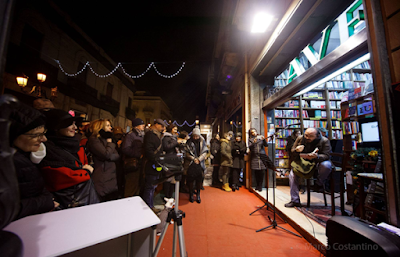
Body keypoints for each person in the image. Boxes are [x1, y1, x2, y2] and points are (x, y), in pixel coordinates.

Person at [40, 109, 99, 209]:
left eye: (75, 124)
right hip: (65, 203)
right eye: (69, 124)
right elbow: (54, 177)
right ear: (56, 127)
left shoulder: (75, 145)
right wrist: (85, 172)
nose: (75, 127)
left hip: (81, 198)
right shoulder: (47, 149)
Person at [9, 103, 56, 220]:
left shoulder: (26, 157)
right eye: (36, 135)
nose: (44, 139)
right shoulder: (10, 163)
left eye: (44, 134)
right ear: (12, 134)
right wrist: (45, 201)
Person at [285, 128, 332, 208]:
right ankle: (295, 200)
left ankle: (319, 184)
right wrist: (296, 150)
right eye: (306, 135)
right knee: (292, 175)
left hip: (317, 162)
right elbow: (292, 151)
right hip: (302, 162)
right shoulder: (300, 138)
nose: (307, 137)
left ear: (317, 136)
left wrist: (317, 156)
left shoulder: (324, 141)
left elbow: (327, 155)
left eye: (310, 136)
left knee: (327, 165)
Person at [87, 119, 120, 202]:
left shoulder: (107, 139)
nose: (110, 127)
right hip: (102, 176)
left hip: (111, 177)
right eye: (107, 125)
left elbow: (116, 155)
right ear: (100, 126)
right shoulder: (94, 140)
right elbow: (106, 154)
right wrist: (109, 144)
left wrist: (109, 156)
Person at [143, 119, 166, 211]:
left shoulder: (157, 135)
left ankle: (151, 205)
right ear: (156, 125)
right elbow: (148, 150)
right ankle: (148, 207)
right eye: (162, 126)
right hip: (151, 164)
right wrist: (156, 159)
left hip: (156, 164)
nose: (163, 128)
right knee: (150, 187)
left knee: (153, 187)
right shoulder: (150, 134)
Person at [121, 118, 145, 197]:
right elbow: (125, 149)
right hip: (132, 164)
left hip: (139, 164)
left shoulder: (141, 134)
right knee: (131, 186)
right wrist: (138, 155)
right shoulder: (131, 135)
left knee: (137, 186)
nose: (143, 126)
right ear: (137, 126)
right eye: (142, 124)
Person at [162, 124, 186, 199]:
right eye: (175, 129)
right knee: (168, 178)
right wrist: (176, 142)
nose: (176, 131)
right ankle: (167, 195)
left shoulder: (173, 137)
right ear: (171, 129)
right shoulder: (166, 137)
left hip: (174, 159)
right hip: (169, 159)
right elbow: (166, 147)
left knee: (173, 179)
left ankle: (170, 195)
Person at [186, 127, 208, 203]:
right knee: (191, 180)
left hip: (200, 163)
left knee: (199, 180)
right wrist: (193, 159)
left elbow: (205, 151)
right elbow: (187, 153)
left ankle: (198, 195)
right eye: (194, 136)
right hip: (191, 163)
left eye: (197, 136)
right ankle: (191, 194)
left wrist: (199, 159)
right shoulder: (189, 141)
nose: (195, 137)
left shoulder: (202, 141)